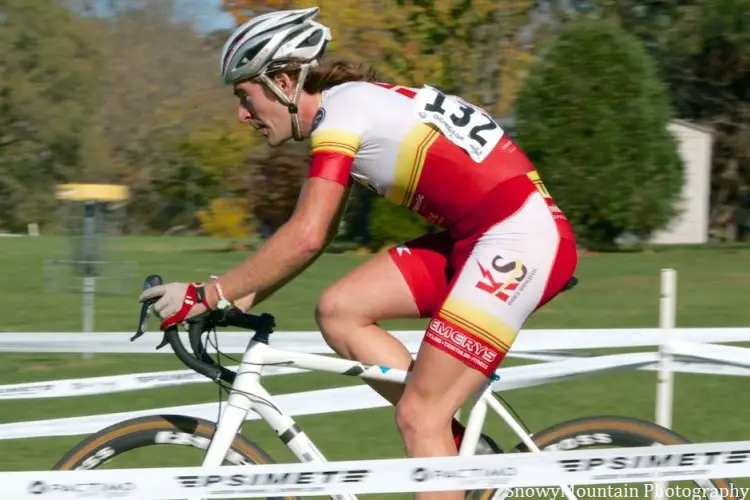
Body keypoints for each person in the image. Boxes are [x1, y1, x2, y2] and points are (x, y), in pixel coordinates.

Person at [139, 6, 578, 499]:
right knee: (340, 310)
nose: (242, 114)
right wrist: (236, 297)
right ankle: (453, 451)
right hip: (481, 238)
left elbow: (306, 233)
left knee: (418, 414)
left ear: (282, 81)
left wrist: (208, 293)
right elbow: (317, 236)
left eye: (245, 96)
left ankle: (435, 434)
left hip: (519, 239)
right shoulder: (349, 107)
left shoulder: (342, 116)